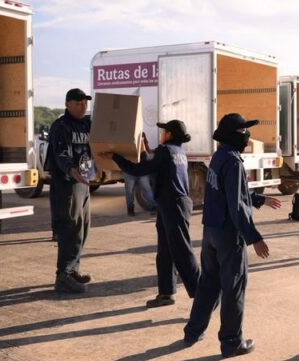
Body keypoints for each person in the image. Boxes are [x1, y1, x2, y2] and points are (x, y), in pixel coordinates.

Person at [183, 113, 282, 357]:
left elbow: (234, 193)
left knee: (208, 284)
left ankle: (193, 331)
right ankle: (232, 342)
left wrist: (260, 199)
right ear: (233, 135)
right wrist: (254, 237)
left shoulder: (219, 157)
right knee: (233, 288)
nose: (247, 136)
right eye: (243, 131)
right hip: (229, 235)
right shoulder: (234, 162)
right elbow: (236, 205)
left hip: (211, 231)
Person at [102, 119, 200, 306]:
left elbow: (138, 170)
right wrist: (146, 151)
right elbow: (157, 165)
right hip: (173, 204)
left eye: (164, 131)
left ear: (169, 134)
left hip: (173, 205)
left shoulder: (165, 151)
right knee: (165, 251)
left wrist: (116, 157)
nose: (161, 134)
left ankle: (203, 296)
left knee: (182, 252)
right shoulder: (178, 151)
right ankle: (166, 293)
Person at [48, 88, 96, 294]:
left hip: (83, 182)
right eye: (78, 103)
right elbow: (60, 154)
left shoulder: (87, 124)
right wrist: (71, 169)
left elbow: (98, 145)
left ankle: (73, 269)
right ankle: (63, 275)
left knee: (83, 227)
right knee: (70, 228)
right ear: (67, 104)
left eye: (85, 103)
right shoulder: (61, 126)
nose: (83, 106)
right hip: (67, 184)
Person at [124, 134, 156, 216]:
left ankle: (153, 207)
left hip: (138, 171)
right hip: (131, 171)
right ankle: (130, 209)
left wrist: (144, 145)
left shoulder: (141, 136)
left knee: (146, 189)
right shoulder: (127, 138)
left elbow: (148, 155)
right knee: (130, 192)